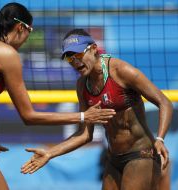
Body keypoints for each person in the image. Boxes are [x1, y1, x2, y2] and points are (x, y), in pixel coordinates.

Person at [0, 4, 116, 190]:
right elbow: (29, 116)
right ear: (20, 27)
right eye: (29, 32)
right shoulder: (7, 53)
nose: (25, 40)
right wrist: (83, 116)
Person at [21, 29, 173, 190]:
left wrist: (160, 139)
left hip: (141, 154)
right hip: (113, 159)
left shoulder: (121, 71)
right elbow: (85, 135)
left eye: (78, 55)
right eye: (69, 57)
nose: (74, 61)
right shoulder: (82, 85)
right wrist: (50, 153)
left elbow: (164, 102)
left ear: (94, 49)